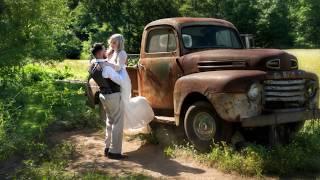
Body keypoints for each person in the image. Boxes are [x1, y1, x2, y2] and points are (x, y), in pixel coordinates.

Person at [105, 34, 154, 134]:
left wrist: (107, 64)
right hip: (116, 79)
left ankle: (141, 118)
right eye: (111, 42)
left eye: (114, 42)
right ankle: (121, 126)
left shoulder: (122, 53)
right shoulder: (113, 53)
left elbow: (118, 67)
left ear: (120, 43)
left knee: (124, 103)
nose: (112, 44)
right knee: (120, 104)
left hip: (122, 79)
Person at [89, 43, 127, 160]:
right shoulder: (106, 66)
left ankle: (107, 148)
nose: (106, 52)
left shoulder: (92, 64)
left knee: (110, 121)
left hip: (103, 95)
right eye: (104, 50)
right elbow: (119, 79)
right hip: (113, 95)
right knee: (117, 123)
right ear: (100, 52)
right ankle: (114, 151)